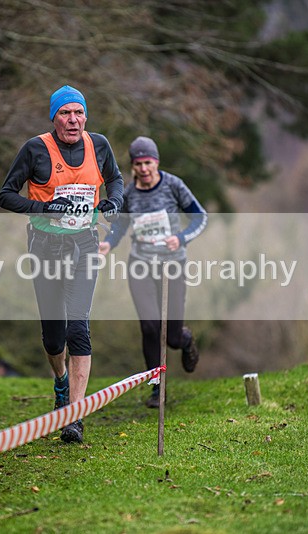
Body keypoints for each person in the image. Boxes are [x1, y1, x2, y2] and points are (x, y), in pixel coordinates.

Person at [0, 85, 124, 443]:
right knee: (54, 338)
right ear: (54, 117)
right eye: (66, 113)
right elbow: (5, 195)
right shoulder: (35, 149)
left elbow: (115, 179)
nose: (73, 120)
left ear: (86, 116)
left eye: (79, 112)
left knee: (78, 328)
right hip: (45, 246)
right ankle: (60, 382)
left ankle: (74, 415)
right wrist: (44, 208)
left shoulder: (99, 145)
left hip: (84, 244)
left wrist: (114, 201)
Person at [98, 136, 207, 408]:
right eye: (138, 164)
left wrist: (180, 238)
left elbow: (199, 216)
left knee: (170, 336)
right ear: (133, 166)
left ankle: (185, 339)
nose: (144, 168)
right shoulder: (129, 195)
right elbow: (120, 226)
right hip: (140, 264)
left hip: (172, 264)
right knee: (149, 328)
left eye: (148, 162)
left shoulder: (173, 186)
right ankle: (157, 389)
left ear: (156, 162)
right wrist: (108, 244)